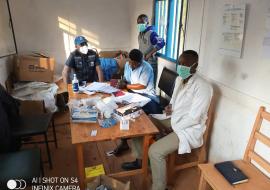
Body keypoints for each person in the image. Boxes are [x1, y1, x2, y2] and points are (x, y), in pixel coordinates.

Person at [148, 50, 213, 190]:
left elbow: (194, 118)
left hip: (189, 129)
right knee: (146, 122)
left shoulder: (203, 87)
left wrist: (173, 128)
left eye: (186, 64)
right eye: (180, 63)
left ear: (195, 66)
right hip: (174, 119)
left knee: (155, 151)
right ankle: (143, 162)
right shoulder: (179, 79)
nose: (181, 66)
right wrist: (170, 107)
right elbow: (174, 100)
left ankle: (159, 187)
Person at [113, 49, 162, 156]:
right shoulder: (127, 65)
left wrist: (125, 86)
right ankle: (124, 142)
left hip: (147, 96)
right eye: (131, 62)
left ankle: (144, 143)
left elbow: (142, 86)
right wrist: (123, 82)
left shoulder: (146, 67)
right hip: (133, 94)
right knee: (120, 110)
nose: (133, 65)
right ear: (129, 60)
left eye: (136, 64)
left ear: (141, 62)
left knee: (130, 113)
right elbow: (126, 79)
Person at [137, 14, 165, 84]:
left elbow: (162, 42)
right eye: (138, 23)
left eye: (142, 23)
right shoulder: (140, 34)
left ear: (147, 23)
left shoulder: (152, 33)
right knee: (142, 83)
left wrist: (150, 53)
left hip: (150, 63)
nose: (140, 25)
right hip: (142, 61)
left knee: (150, 84)